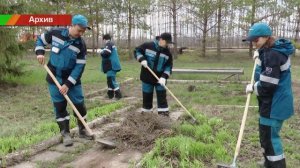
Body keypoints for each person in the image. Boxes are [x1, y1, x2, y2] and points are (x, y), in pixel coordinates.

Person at [35, 14, 93, 147]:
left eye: (84, 31)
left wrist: (68, 84)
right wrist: (39, 52)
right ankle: (65, 133)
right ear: (72, 25)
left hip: (71, 80)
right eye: (80, 30)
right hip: (54, 76)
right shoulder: (55, 33)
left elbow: (80, 66)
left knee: (79, 104)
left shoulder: (81, 45)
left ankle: (83, 130)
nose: (81, 33)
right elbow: (40, 40)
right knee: (60, 106)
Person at [244, 22, 295, 168]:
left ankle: (276, 165)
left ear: (266, 37)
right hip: (274, 102)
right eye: (252, 40)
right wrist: (259, 57)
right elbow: (265, 71)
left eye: (256, 40)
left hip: (274, 104)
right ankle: (268, 161)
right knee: (266, 137)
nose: (254, 43)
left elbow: (268, 84)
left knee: (270, 139)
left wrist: (253, 88)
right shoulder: (270, 50)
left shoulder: (272, 54)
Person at [134, 32, 173, 116]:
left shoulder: (167, 53)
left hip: (160, 79)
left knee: (162, 98)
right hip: (147, 77)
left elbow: (168, 67)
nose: (167, 45)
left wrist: (164, 77)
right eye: (167, 42)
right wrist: (142, 59)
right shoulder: (148, 45)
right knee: (147, 97)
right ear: (161, 40)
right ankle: (147, 116)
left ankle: (164, 116)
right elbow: (137, 51)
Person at [99, 34, 122, 99]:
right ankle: (110, 94)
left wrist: (101, 52)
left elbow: (107, 53)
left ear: (104, 39)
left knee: (111, 79)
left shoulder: (109, 44)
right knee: (109, 80)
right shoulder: (111, 44)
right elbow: (107, 51)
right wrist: (102, 50)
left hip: (111, 65)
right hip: (110, 65)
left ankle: (118, 95)